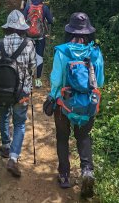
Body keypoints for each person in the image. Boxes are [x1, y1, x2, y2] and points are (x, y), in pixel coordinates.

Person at [45, 12, 104, 198]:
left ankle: (64, 176)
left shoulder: (62, 51)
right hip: (88, 104)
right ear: (88, 33)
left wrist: (52, 98)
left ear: (69, 31)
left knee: (63, 138)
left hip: (64, 103)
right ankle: (87, 171)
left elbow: (56, 80)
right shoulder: (95, 52)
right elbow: (99, 81)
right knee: (83, 136)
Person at [0, 10, 36, 177]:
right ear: (22, 28)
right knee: (20, 123)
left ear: (7, 27)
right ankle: (13, 158)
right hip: (22, 92)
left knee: (4, 116)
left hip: (2, 90)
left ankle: (5, 146)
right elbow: (33, 67)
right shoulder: (28, 44)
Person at [23, 0, 53, 88]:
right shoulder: (44, 8)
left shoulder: (28, 7)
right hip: (40, 37)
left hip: (28, 37)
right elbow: (50, 21)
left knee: (28, 57)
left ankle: (29, 79)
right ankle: (38, 81)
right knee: (39, 58)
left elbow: (22, 20)